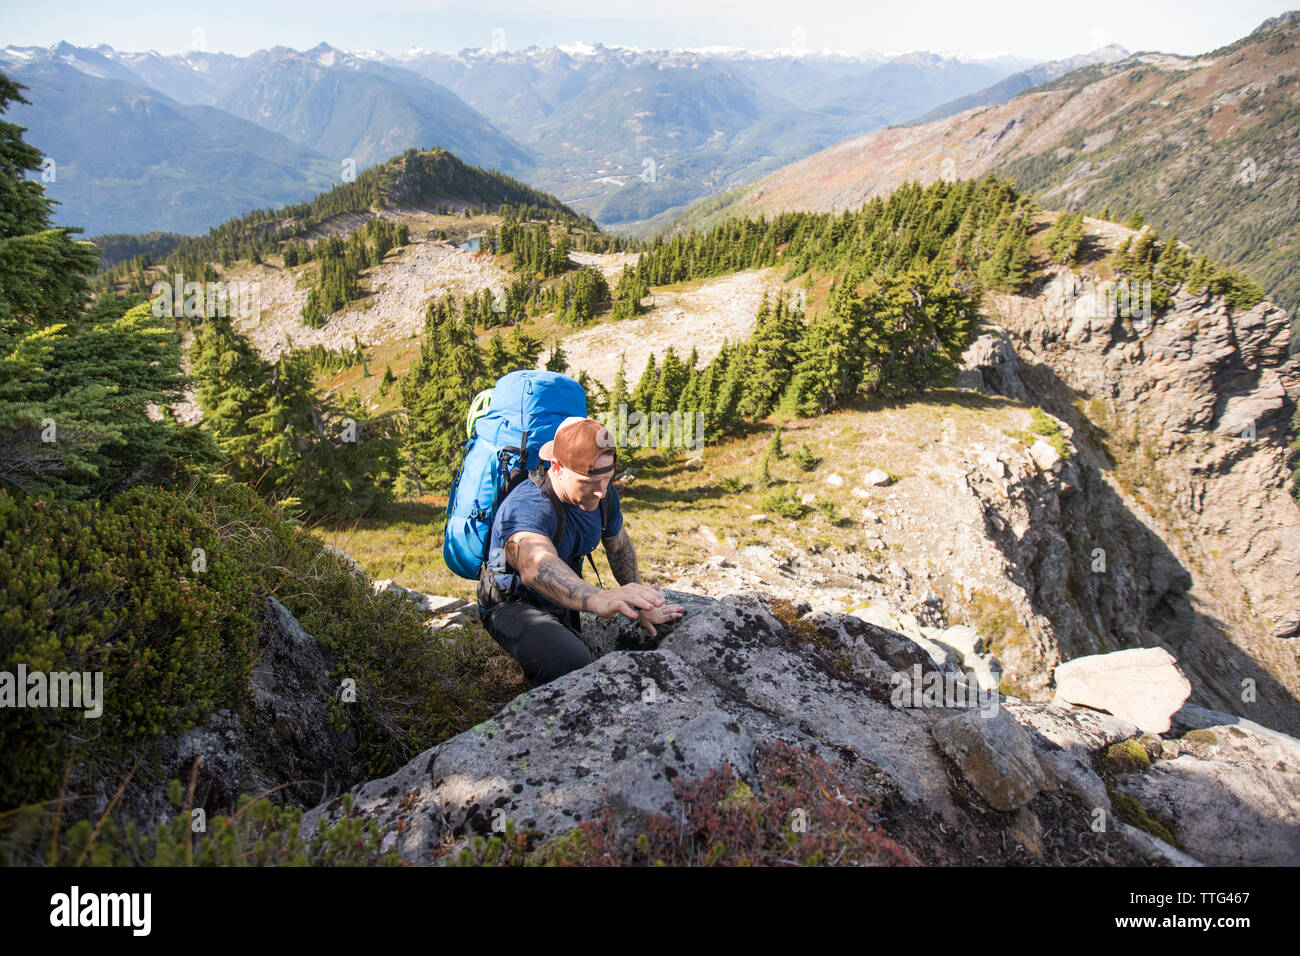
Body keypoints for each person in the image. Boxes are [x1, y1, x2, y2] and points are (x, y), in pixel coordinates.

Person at [477, 416, 683, 687]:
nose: (601, 492)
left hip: (561, 601)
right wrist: (598, 599)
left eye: (608, 478)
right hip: (513, 603)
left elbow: (618, 545)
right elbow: (536, 565)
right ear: (557, 467)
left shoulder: (603, 494)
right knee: (573, 665)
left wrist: (641, 600)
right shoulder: (528, 505)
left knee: (571, 664)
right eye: (589, 482)